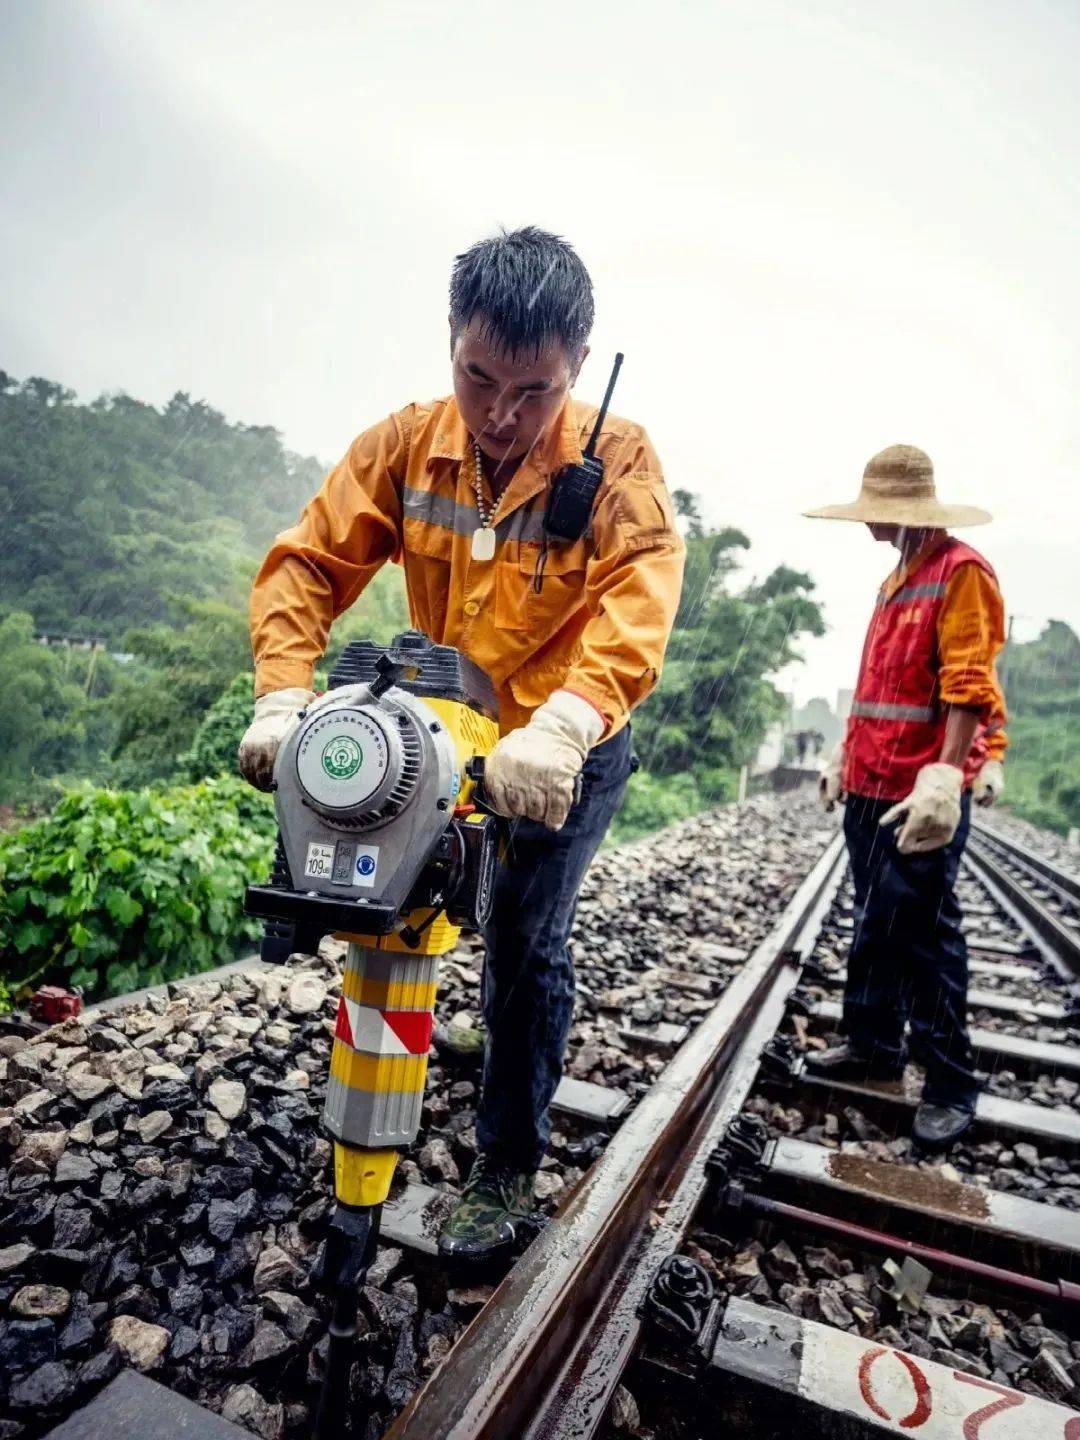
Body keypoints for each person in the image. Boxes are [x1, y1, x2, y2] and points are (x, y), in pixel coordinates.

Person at [238, 227, 685, 1255]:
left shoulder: (620, 462)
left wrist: (565, 723)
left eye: (533, 392)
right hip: (445, 737)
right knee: (388, 900)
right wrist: (280, 696)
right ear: (451, 338)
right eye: (477, 378)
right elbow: (308, 564)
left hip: (567, 744)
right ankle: (379, 1099)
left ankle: (509, 1162)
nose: (499, 414)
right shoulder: (406, 445)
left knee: (524, 940)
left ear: (578, 364)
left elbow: (641, 596)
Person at [807, 445, 1007, 1148]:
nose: (869, 521)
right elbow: (877, 688)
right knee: (875, 920)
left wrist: (945, 778)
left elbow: (968, 688)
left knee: (923, 933)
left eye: (880, 510)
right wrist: (842, 754)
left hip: (917, 792)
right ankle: (873, 1045)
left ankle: (951, 1082)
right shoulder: (896, 579)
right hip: (869, 785)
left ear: (910, 509)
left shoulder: (962, 573)